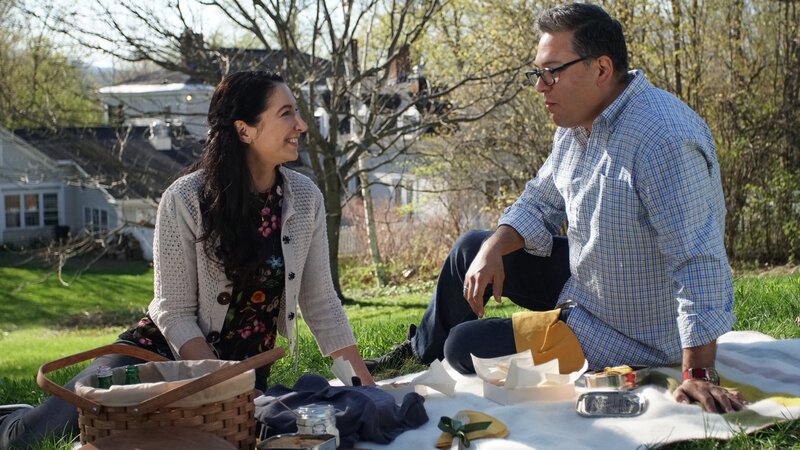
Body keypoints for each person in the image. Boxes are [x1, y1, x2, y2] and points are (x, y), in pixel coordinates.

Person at [367, 3, 746, 414]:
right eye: (536, 73)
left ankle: (449, 349)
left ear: (601, 69)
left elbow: (698, 260)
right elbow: (540, 200)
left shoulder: (663, 138)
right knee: (472, 249)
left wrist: (698, 373)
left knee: (464, 346)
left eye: (552, 72)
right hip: (593, 280)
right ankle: (422, 352)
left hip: (631, 333)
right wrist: (494, 248)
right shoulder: (576, 124)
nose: (539, 86)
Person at [0, 70, 375, 449]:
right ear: (245, 130)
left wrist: (367, 390)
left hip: (240, 378)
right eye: (286, 113)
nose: (301, 125)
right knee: (27, 440)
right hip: (152, 361)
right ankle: (11, 417)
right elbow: (173, 312)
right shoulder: (185, 198)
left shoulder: (305, 198)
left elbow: (321, 303)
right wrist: (221, 385)